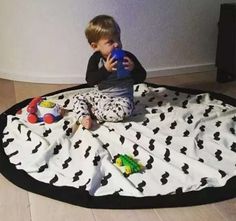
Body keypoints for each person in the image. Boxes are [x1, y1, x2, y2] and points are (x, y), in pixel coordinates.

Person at [73, 15, 146, 129]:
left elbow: (142, 77)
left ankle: (94, 113)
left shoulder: (128, 57)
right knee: (77, 98)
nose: (117, 44)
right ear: (95, 46)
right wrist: (105, 70)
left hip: (122, 99)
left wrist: (133, 69)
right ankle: (84, 117)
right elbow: (90, 80)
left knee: (125, 111)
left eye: (118, 39)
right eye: (110, 42)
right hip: (100, 96)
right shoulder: (96, 59)